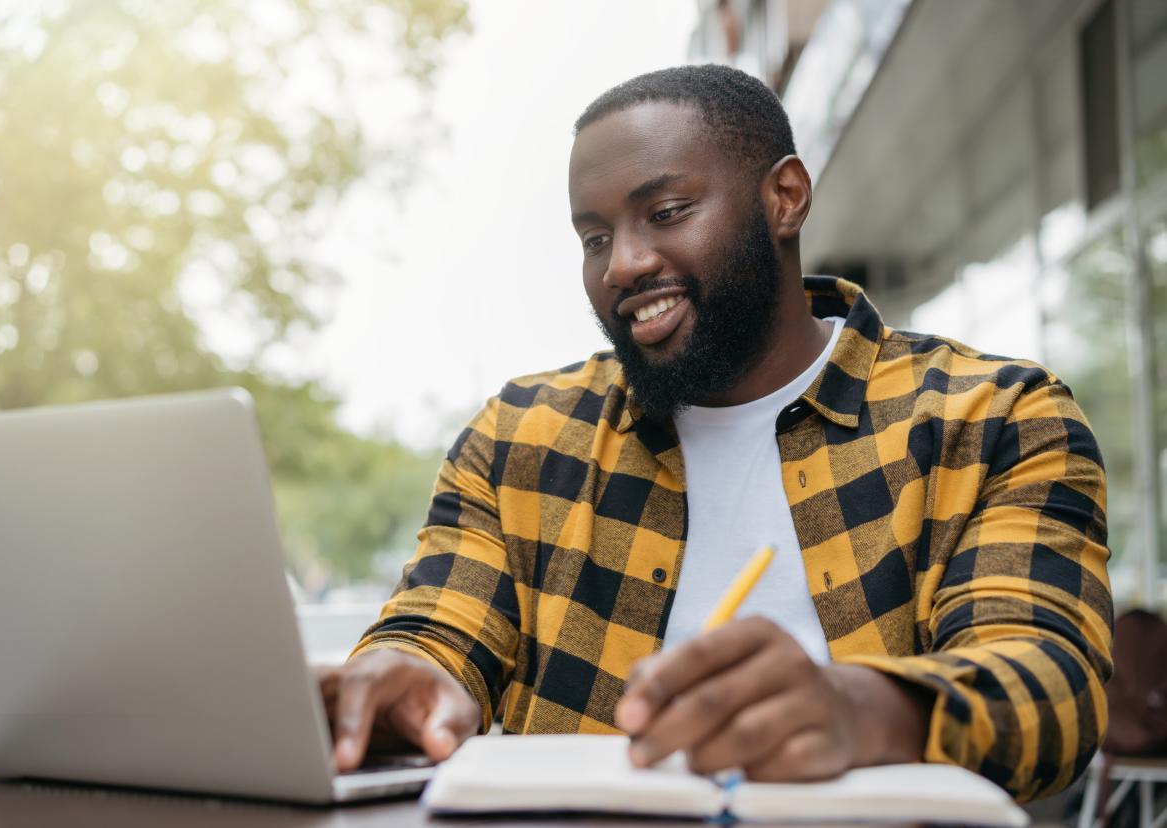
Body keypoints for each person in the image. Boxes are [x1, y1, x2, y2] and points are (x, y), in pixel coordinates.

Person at [318, 64, 1114, 802]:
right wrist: (405, 676)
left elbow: (1050, 688)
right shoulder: (521, 438)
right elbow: (436, 628)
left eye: (665, 213)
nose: (622, 265)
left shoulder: (993, 420)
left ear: (786, 198)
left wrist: (860, 708)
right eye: (594, 239)